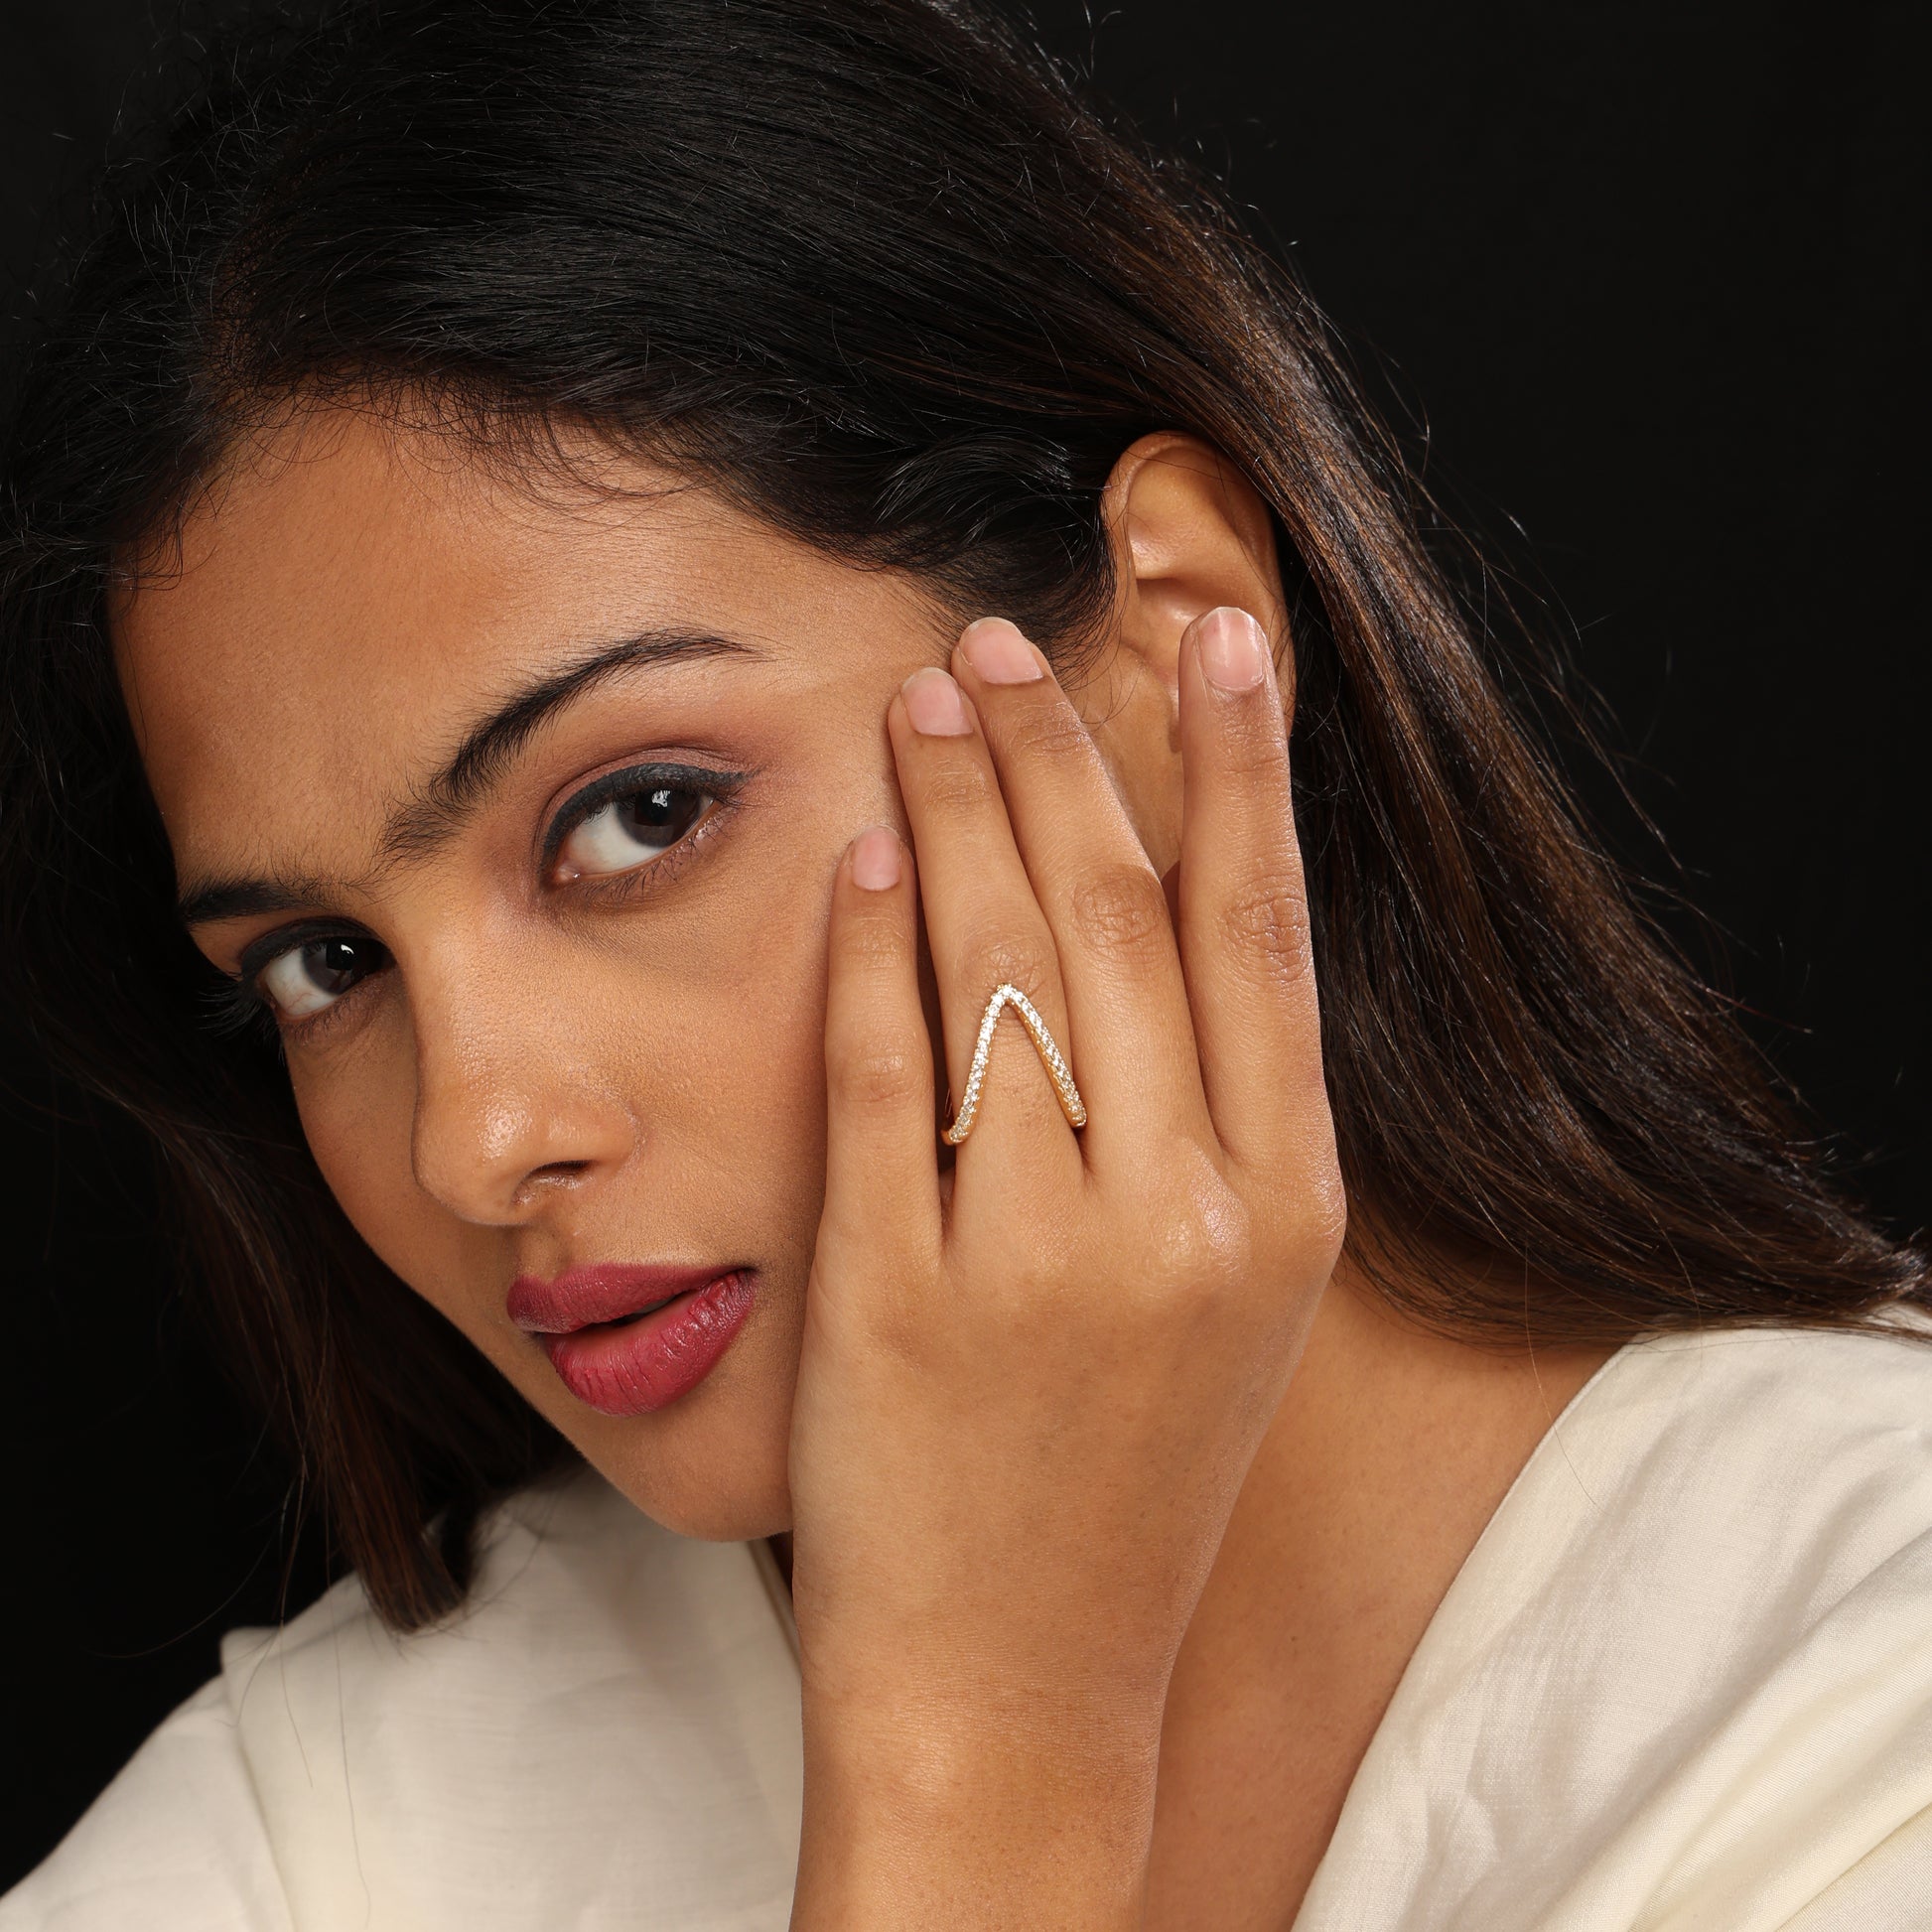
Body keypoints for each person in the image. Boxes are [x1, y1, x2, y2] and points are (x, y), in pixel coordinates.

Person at [1, 0, 1926, 1924]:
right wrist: (980, 1749)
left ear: (1171, 637)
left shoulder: (1854, 1688)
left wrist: (986, 1742)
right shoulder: (336, 1820)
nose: (474, 1137)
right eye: (327, 960)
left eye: (641, 814)